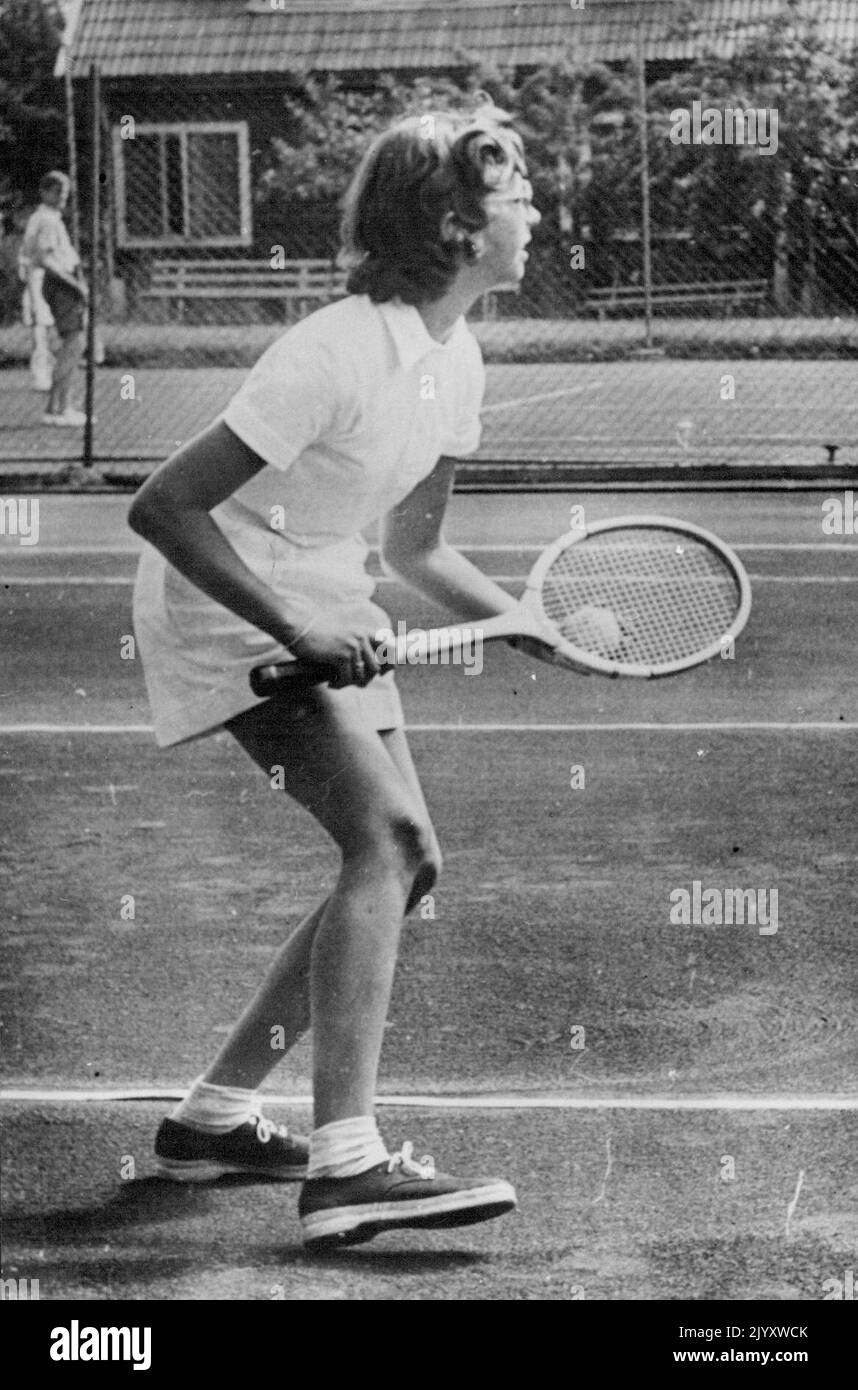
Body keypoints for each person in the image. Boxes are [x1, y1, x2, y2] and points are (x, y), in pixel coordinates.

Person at [128, 103, 541, 1250]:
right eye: (516, 198)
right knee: (389, 842)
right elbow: (163, 505)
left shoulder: (456, 358)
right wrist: (300, 629)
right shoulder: (335, 352)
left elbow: (414, 547)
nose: (537, 212)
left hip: (325, 590)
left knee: (409, 863)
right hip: (228, 603)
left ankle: (213, 1115)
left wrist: (523, 618)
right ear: (458, 226)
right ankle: (347, 1166)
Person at [21, 172, 88, 426]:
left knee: (74, 344)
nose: (63, 198)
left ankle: (55, 407)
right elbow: (46, 259)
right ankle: (61, 407)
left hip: (61, 283)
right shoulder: (47, 220)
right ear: (45, 192)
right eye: (58, 192)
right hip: (60, 284)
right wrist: (77, 286)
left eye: (65, 193)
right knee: (73, 344)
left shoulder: (48, 218)